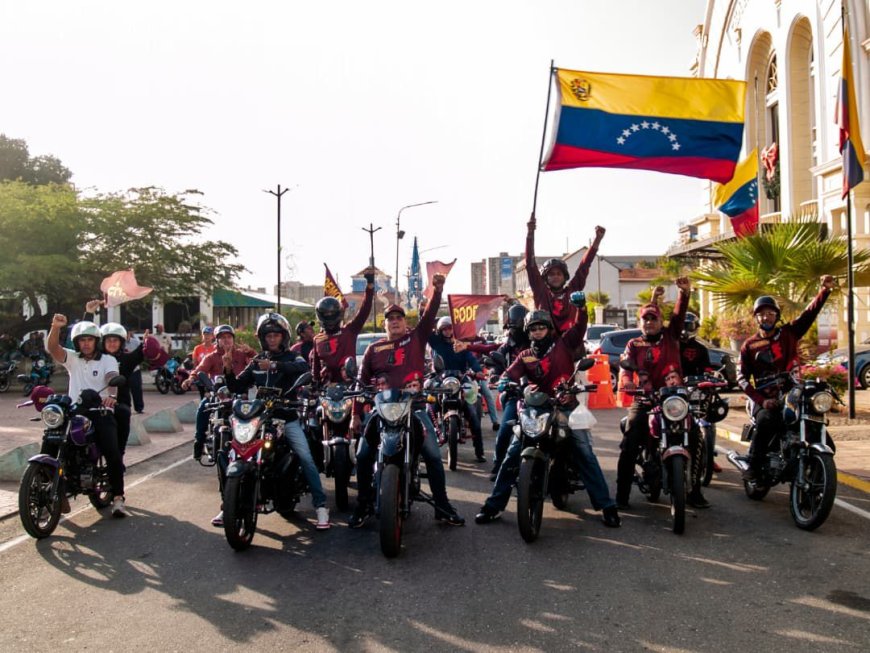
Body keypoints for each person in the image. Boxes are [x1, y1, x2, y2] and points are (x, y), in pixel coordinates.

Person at [474, 307, 620, 527]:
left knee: (584, 452)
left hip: (566, 407)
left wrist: (580, 309)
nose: (538, 331)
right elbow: (511, 373)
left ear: (549, 329)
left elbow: (580, 327)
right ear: (528, 331)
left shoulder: (563, 344)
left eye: (542, 327)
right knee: (512, 454)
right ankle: (493, 506)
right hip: (536, 408)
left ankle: (606, 506)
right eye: (534, 328)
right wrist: (503, 381)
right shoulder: (526, 355)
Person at [350, 273, 465, 528]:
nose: (395, 322)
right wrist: (356, 414)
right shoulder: (373, 349)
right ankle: (364, 504)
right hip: (382, 411)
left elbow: (430, 313)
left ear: (405, 322)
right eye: (390, 319)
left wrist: (438, 289)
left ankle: (443, 506)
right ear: (385, 324)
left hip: (415, 408)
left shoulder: (416, 337)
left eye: (399, 318)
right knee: (363, 453)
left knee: (434, 455)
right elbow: (360, 383)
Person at [224, 312, 330, 530]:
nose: (272, 339)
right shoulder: (256, 362)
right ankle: (228, 504)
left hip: (286, 419)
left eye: (276, 335)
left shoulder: (292, 357)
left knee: (305, 457)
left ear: (284, 337)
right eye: (268, 335)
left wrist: (273, 367)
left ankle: (320, 506)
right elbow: (237, 386)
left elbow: (305, 370)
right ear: (263, 338)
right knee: (234, 452)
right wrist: (227, 369)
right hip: (260, 420)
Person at [615, 276, 709, 509]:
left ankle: (695, 490)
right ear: (640, 323)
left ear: (660, 322)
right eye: (645, 320)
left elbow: (678, 314)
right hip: (645, 400)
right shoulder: (634, 345)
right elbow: (625, 367)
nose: (649, 323)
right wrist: (628, 383)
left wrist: (684, 293)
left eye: (653, 319)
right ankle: (621, 494)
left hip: (673, 399)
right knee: (630, 439)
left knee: (696, 436)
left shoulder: (671, 336)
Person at [737, 275, 835, 482]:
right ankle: (753, 466)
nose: (766, 318)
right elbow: (741, 378)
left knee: (826, 439)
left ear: (777, 316)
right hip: (766, 399)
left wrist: (824, 291)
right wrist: (762, 400)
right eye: (761, 314)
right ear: (756, 318)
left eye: (770, 313)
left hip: (794, 396)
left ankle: (815, 485)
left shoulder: (789, 333)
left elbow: (809, 313)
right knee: (765, 421)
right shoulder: (749, 346)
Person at [44, 314, 129, 518]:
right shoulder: (72, 358)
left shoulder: (107, 359)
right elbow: (53, 349)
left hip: (100, 411)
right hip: (74, 412)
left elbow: (111, 377)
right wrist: (55, 327)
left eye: (90, 339)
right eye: (82, 340)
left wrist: (111, 396)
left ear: (96, 341)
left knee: (112, 453)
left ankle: (118, 497)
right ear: (77, 342)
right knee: (50, 442)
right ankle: (55, 490)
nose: (86, 343)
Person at [183, 324, 256, 461]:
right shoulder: (211, 357)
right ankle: (199, 442)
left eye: (229, 337)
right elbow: (199, 370)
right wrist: (190, 379)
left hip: (240, 396)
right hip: (218, 395)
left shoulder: (242, 354)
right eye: (222, 338)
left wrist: (251, 353)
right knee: (203, 408)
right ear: (216, 340)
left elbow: (259, 365)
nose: (226, 340)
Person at [525, 214, 605, 338]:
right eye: (551, 274)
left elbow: (584, 266)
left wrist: (597, 241)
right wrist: (530, 234)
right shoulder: (541, 293)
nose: (556, 277)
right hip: (547, 348)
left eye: (559, 273)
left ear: (564, 276)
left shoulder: (573, 291)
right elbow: (530, 265)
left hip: (571, 348)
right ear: (545, 278)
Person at [83, 300, 144, 461]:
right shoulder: (95, 357)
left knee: (123, 414)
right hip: (93, 401)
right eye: (108, 340)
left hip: (117, 402)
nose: (111, 343)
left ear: (121, 342)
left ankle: (118, 457)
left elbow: (143, 353)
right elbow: (84, 336)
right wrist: (89, 314)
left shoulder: (127, 359)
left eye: (115, 340)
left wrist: (148, 343)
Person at [427, 316, 486, 463]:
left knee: (473, 415)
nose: (448, 331)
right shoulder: (436, 343)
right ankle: (425, 449)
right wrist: (424, 312)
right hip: (441, 379)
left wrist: (478, 371)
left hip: (460, 378)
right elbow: (426, 330)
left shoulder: (461, 344)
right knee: (429, 412)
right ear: (440, 331)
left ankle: (479, 452)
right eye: (445, 329)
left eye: (450, 328)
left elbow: (471, 359)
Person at [486, 303, 529, 480]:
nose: (514, 330)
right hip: (515, 395)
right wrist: (495, 376)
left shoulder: (536, 343)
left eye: (517, 326)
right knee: (505, 430)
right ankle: (497, 465)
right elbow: (495, 363)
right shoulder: (506, 347)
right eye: (512, 326)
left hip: (538, 394)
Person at [311, 267, 375, 385]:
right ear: (320, 316)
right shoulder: (317, 339)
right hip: (326, 393)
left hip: (349, 389)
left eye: (332, 314)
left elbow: (364, 310)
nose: (329, 317)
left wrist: (370, 286)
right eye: (326, 315)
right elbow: (315, 372)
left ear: (339, 314)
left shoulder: (350, 330)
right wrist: (313, 388)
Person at [125, 330, 145, 413]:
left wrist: (131, 354)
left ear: (129, 333)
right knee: (124, 390)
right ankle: (126, 408)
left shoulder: (135, 342)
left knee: (137, 389)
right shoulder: (119, 343)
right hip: (124, 370)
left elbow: (141, 354)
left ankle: (139, 408)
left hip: (135, 369)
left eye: (127, 333)